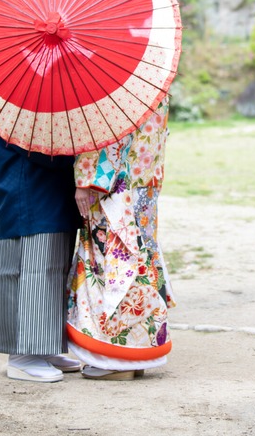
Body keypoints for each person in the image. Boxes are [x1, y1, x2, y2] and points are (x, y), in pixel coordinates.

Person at [66, 98, 175, 380]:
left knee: (113, 264)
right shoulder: (149, 79)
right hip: (144, 183)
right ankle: (138, 353)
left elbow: (104, 131)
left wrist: (86, 179)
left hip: (115, 187)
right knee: (140, 261)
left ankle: (115, 358)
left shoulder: (114, 85)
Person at [0, 132, 84, 383]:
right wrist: (79, 154)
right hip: (26, 191)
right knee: (30, 269)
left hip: (53, 192)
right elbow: (39, 148)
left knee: (54, 268)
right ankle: (22, 354)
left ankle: (45, 347)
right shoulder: (15, 112)